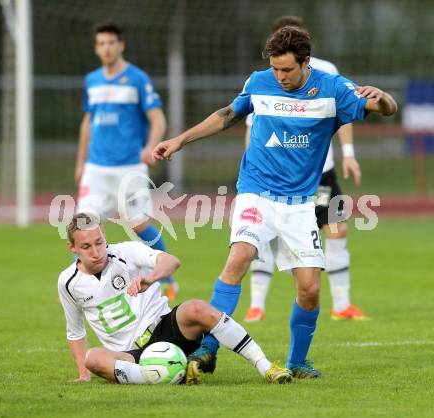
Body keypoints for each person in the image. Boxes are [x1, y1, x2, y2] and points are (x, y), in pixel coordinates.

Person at [152, 26, 397, 378]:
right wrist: (180, 140)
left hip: (299, 203)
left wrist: (384, 97)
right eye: (275, 68)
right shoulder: (259, 81)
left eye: (287, 70)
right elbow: (227, 115)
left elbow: (385, 108)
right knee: (239, 256)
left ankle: (298, 362)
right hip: (257, 191)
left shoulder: (333, 88)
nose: (279, 76)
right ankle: (208, 347)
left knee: (310, 289)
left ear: (306, 62)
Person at [58, 213, 292, 385]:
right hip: (129, 354)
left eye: (99, 242)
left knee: (196, 308)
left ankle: (266, 367)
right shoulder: (68, 282)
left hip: (164, 328)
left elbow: (171, 261)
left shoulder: (125, 252)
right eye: (86, 246)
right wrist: (82, 374)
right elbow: (75, 331)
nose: (96, 251)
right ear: (72, 248)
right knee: (94, 358)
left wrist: (153, 277)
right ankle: (171, 375)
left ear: (104, 236)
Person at [244, 15, 367, 323]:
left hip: (321, 172)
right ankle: (256, 304)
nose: (281, 71)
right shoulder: (264, 79)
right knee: (264, 237)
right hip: (274, 176)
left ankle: (342, 304)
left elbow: (346, 114)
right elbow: (251, 123)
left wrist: (349, 153)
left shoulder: (327, 73)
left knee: (337, 230)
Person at [75, 22, 177, 300]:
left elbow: (158, 118)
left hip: (129, 167)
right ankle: (80, 283)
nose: (106, 48)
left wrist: (150, 147)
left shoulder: (137, 79)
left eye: (111, 43)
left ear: (121, 45)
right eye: (101, 44)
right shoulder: (92, 80)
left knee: (138, 224)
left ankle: (166, 277)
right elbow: (88, 122)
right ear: (96, 48)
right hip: (96, 169)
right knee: (83, 225)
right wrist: (80, 161)